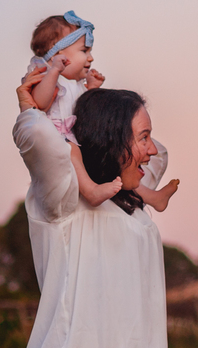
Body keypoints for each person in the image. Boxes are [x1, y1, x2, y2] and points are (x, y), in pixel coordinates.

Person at [12, 71, 172, 348]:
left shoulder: (130, 203)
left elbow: (160, 156)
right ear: (108, 139)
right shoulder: (64, 201)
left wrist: (93, 99)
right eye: (143, 137)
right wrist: (35, 109)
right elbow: (41, 140)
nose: (152, 149)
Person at [26, 11, 179, 211]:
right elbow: (40, 102)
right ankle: (90, 191)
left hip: (81, 137)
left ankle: (151, 196)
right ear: (57, 54)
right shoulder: (45, 75)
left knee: (120, 158)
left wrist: (92, 89)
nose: (90, 58)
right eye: (84, 51)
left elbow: (86, 110)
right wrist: (54, 71)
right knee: (72, 150)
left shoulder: (75, 84)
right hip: (61, 139)